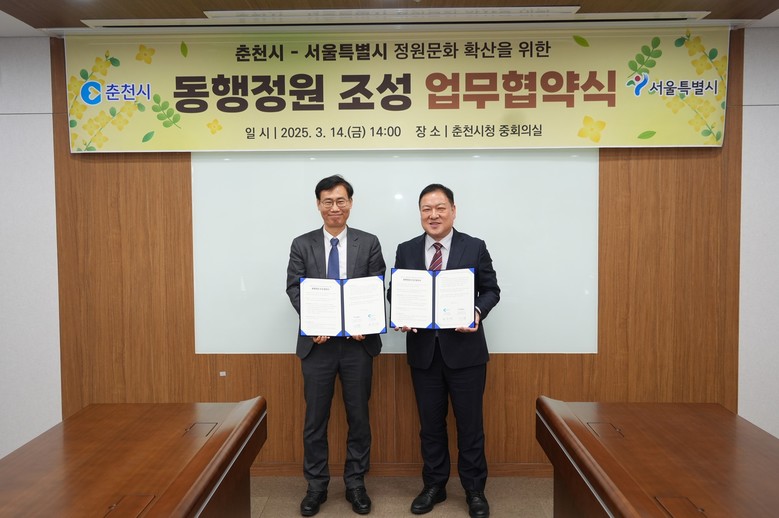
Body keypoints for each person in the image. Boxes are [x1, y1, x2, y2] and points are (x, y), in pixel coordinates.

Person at [390, 184, 500, 518]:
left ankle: (474, 490)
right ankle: (434, 486)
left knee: (470, 425)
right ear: (420, 213)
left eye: (440, 208)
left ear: (453, 210)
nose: (433, 215)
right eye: (426, 209)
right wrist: (401, 313)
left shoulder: (475, 246)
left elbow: (491, 290)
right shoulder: (407, 249)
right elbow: (396, 291)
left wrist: (477, 312)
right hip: (424, 353)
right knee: (430, 426)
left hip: (466, 353)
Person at [286, 175, 386, 516]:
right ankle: (316, 486)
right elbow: (294, 288)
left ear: (350, 203)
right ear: (318, 205)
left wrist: (366, 323)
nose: (334, 207)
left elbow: (376, 286)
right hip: (318, 347)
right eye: (327, 201)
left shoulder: (368, 242)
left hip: (358, 347)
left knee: (359, 418)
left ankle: (356, 483)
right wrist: (313, 321)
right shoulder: (302, 244)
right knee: (315, 420)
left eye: (340, 200)